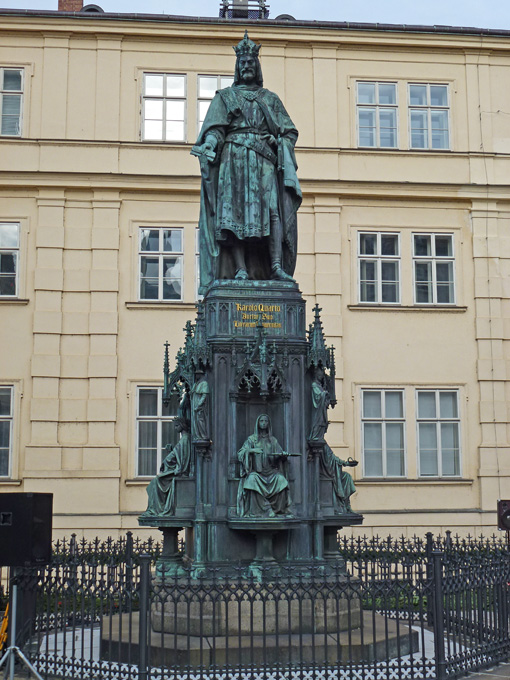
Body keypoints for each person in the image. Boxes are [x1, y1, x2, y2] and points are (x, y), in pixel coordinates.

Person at [192, 31, 302, 293]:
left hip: (264, 158)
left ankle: (276, 266)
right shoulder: (225, 97)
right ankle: (239, 268)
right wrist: (209, 144)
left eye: (251, 63)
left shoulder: (270, 99)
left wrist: (279, 142)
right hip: (234, 159)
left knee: (273, 213)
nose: (247, 67)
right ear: (237, 67)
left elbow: (289, 131)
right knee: (233, 215)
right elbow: (215, 131)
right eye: (243, 64)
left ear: (257, 66)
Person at [237, 414, 292, 518]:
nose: (263, 423)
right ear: (258, 423)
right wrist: (252, 451)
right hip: (257, 473)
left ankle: (279, 510)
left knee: (281, 480)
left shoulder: (273, 440)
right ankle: (264, 510)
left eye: (266, 421)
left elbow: (279, 454)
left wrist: (283, 456)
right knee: (251, 480)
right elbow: (240, 453)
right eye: (261, 421)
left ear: (268, 424)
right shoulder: (251, 440)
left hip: (271, 472)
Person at [141, 417, 191, 517]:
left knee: (156, 482)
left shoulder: (185, 440)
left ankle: (156, 509)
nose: (175, 428)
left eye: (177, 425)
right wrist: (172, 451)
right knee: (155, 482)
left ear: (181, 425)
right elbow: (179, 455)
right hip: (176, 471)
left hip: (178, 473)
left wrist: (172, 461)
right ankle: (156, 508)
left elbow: (183, 460)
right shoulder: (184, 440)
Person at [320, 444, 357, 514]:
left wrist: (346, 463)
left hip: (328, 469)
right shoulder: (321, 443)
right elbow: (330, 458)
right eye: (324, 431)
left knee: (347, 476)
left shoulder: (323, 443)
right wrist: (345, 463)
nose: (325, 432)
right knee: (342, 478)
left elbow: (332, 457)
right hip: (324, 471)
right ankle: (339, 506)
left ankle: (346, 505)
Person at [309, 365, 330, 441]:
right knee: (318, 422)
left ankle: (319, 437)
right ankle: (315, 437)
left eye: (322, 376)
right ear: (316, 375)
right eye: (320, 375)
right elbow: (317, 397)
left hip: (321, 409)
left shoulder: (319, 385)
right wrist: (324, 394)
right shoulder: (314, 385)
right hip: (317, 410)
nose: (321, 377)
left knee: (322, 423)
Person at [191, 370, 210, 441]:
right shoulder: (196, 384)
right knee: (195, 421)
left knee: (200, 420)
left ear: (200, 375)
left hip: (199, 406)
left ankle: (203, 436)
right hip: (194, 404)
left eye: (197, 374)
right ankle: (197, 436)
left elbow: (204, 395)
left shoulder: (204, 383)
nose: (196, 376)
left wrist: (199, 405)